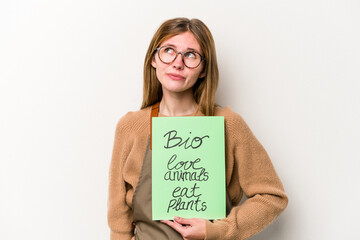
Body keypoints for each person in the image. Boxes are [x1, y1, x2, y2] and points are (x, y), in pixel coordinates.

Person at [107, 17, 288, 240]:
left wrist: (217, 230)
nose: (177, 63)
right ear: (154, 59)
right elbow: (119, 219)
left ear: (203, 69)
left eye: (191, 54)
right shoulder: (131, 127)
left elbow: (272, 197)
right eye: (168, 50)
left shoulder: (227, 123)